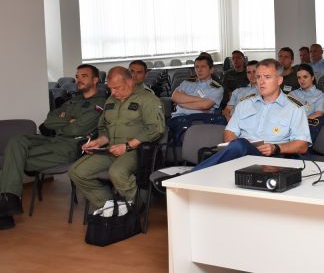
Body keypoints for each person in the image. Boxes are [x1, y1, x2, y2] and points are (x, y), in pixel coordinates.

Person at [0, 64, 106, 230]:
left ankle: (6, 210)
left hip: (71, 146)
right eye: (77, 77)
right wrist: (69, 121)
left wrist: (63, 120)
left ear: (95, 79)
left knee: (11, 161)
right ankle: (9, 201)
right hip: (53, 140)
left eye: (84, 76)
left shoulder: (100, 103)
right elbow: (48, 121)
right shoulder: (73, 100)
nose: (79, 80)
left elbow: (77, 130)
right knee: (16, 141)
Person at [69, 67, 165, 210]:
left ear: (130, 82)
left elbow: (156, 129)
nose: (113, 92)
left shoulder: (148, 99)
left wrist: (127, 146)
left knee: (117, 173)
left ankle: (137, 207)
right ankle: (110, 207)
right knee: (77, 171)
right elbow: (104, 127)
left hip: (136, 150)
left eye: (117, 88)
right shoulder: (111, 100)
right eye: (110, 88)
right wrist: (99, 142)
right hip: (112, 148)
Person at [191, 59, 311, 171]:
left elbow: (302, 145)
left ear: (279, 80)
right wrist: (234, 150)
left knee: (239, 144)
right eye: (258, 77)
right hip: (241, 156)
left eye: (267, 77)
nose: (261, 82)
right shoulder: (244, 104)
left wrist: (276, 148)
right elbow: (230, 132)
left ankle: (194, 173)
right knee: (239, 144)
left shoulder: (294, 108)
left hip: (273, 159)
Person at [167, 55, 224, 143]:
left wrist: (181, 103)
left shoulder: (217, 88)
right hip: (181, 118)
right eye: (196, 67)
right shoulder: (187, 83)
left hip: (202, 120)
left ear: (211, 70)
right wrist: (200, 99)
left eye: (203, 67)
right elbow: (174, 97)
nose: (199, 70)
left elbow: (205, 105)